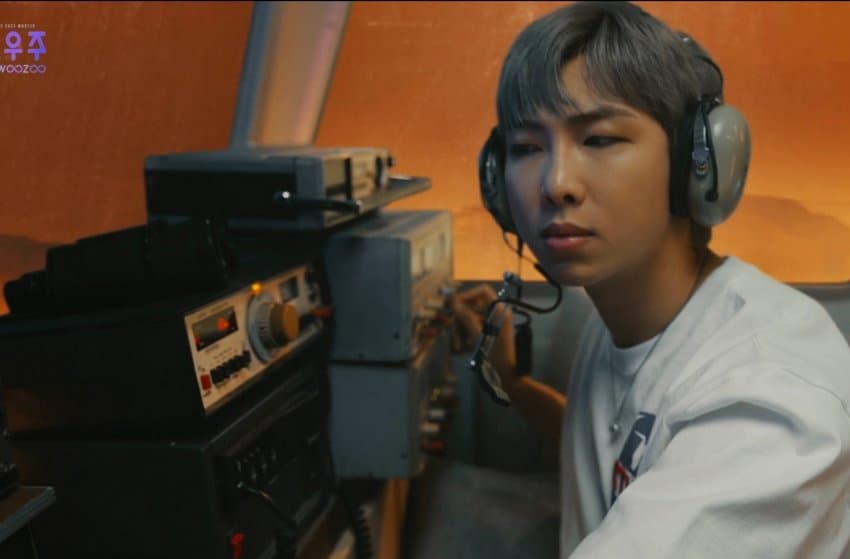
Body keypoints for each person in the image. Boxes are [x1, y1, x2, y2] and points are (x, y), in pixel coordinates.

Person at [449, 1, 850, 557]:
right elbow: (634, 451)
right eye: (526, 148)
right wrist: (514, 386)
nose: (556, 183)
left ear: (696, 164)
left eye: (599, 139)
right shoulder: (621, 312)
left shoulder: (769, 408)